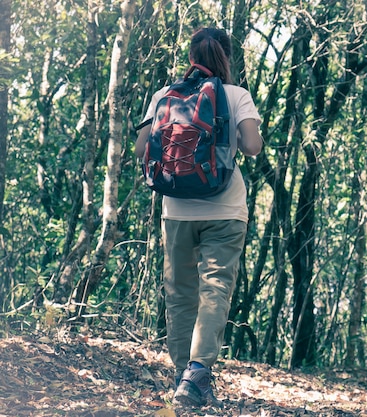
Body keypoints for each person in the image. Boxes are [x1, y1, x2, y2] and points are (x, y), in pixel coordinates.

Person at [135, 27, 263, 408]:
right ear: (227, 57)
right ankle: (197, 375)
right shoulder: (236, 95)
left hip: (176, 208)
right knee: (215, 289)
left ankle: (181, 376)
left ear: (191, 55)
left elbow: (142, 148)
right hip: (225, 207)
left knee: (179, 293)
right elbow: (253, 147)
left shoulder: (164, 96)